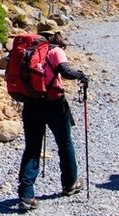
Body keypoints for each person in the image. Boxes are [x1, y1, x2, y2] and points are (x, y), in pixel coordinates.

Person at [17, 18, 90, 211]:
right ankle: (70, 183)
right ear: (55, 33)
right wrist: (81, 75)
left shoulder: (28, 51)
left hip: (31, 104)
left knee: (32, 148)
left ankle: (26, 195)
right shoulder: (55, 50)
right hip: (54, 104)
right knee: (65, 143)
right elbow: (65, 71)